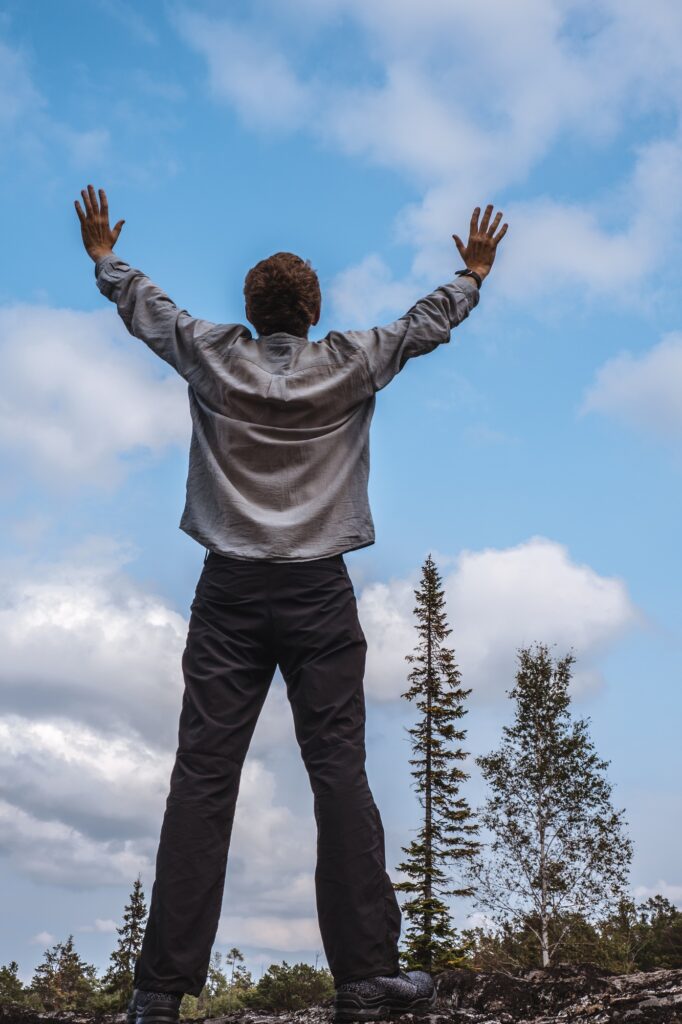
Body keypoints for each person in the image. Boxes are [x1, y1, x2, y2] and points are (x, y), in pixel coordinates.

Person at [74, 185, 507, 1024]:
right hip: (317, 591)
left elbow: (147, 308)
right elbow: (424, 325)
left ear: (251, 309)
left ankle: (159, 992)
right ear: (313, 313)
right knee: (338, 772)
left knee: (202, 779)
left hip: (228, 587)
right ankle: (366, 979)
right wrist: (473, 275)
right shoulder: (350, 359)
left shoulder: (211, 354)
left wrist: (103, 257)